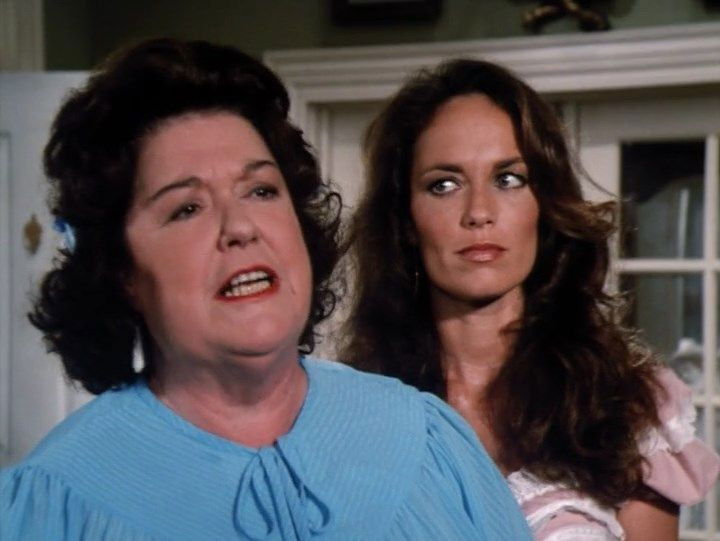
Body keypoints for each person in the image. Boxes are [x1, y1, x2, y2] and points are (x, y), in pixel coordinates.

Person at [0, 41, 532, 540]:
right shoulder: (55, 500)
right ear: (120, 270)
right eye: (187, 208)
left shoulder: (424, 436)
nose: (241, 227)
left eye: (260, 190)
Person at [342, 58, 720, 540]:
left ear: (544, 204)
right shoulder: (357, 414)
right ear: (405, 221)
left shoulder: (623, 402)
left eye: (508, 179)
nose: (479, 212)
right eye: (444, 185)